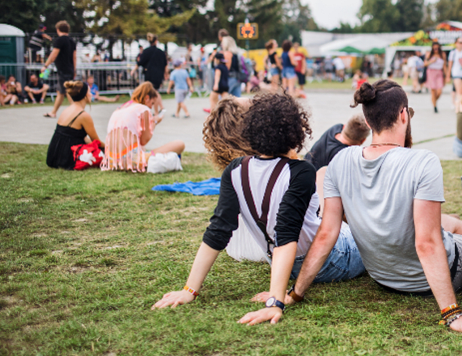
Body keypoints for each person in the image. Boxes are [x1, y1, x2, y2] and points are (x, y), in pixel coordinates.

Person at [287, 80, 462, 338]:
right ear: (404, 114)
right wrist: (452, 315)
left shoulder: (340, 160)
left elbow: (326, 234)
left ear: (368, 122)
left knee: (450, 223)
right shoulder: (423, 162)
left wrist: (294, 293)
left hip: (384, 278)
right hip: (432, 275)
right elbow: (427, 243)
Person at [152, 93, 366, 321]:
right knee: (345, 202)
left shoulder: (234, 170)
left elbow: (218, 230)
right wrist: (277, 300)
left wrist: (189, 290)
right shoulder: (300, 172)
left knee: (324, 179)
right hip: (331, 259)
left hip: (283, 264)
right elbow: (286, 235)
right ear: (298, 130)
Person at [102, 82, 184, 172]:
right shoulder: (143, 109)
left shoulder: (120, 108)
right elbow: (144, 140)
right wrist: (154, 122)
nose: (151, 107)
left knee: (141, 148)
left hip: (112, 160)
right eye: (152, 103)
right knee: (180, 144)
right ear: (147, 98)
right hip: (131, 160)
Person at [46, 80, 105, 169]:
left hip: (54, 155)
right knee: (102, 151)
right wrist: (110, 147)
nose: (91, 94)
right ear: (84, 95)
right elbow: (96, 141)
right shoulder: (83, 115)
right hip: (68, 157)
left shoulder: (66, 110)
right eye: (89, 92)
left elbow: (79, 136)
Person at [304, 114, 370, 171]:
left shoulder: (336, 128)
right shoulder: (345, 155)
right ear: (362, 141)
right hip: (315, 181)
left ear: (344, 126)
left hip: (306, 164)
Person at [42, 21, 76, 119]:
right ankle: (53, 112)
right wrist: (74, 69)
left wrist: (45, 65)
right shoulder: (72, 41)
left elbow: (54, 54)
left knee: (67, 91)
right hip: (69, 69)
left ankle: (77, 112)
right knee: (60, 92)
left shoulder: (60, 40)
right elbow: (74, 57)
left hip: (63, 69)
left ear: (58, 30)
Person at [447, 38, 462, 105]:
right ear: (456, 43)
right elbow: (450, 65)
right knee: (459, 91)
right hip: (456, 74)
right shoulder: (453, 53)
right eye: (460, 42)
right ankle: (459, 105)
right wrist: (448, 76)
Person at [424, 42, 447, 113]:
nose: (436, 50)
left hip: (439, 72)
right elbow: (425, 64)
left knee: (439, 90)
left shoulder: (442, 54)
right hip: (431, 72)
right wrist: (432, 61)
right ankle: (435, 106)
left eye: (437, 48)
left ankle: (434, 100)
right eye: (434, 48)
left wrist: (446, 76)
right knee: (433, 90)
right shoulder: (429, 54)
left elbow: (444, 65)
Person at [220, 31, 243, 98]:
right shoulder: (236, 54)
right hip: (237, 78)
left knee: (223, 98)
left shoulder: (228, 53)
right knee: (237, 99)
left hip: (230, 78)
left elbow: (227, 68)